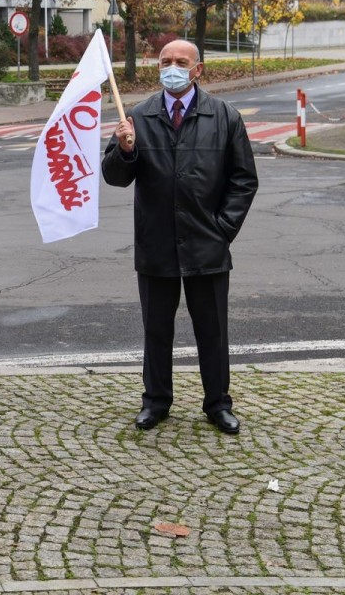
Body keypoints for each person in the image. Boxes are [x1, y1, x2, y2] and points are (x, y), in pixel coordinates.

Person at [101, 39, 258, 435]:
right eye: (165, 61)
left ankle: (218, 404)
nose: (171, 67)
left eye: (180, 62)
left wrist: (222, 229)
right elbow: (115, 177)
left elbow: (244, 180)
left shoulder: (224, 117)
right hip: (156, 244)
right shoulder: (138, 116)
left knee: (212, 330)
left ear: (197, 70)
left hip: (207, 243)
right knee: (156, 329)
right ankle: (155, 401)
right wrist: (124, 150)